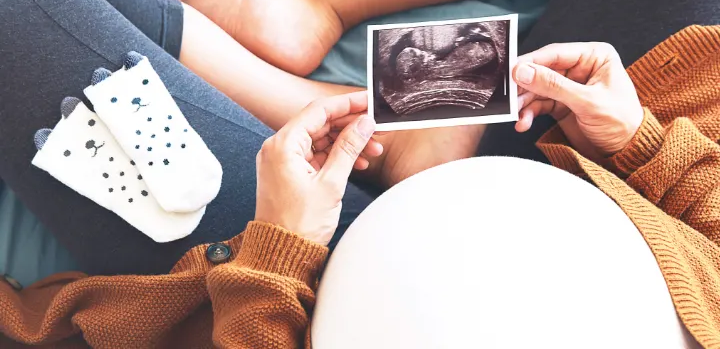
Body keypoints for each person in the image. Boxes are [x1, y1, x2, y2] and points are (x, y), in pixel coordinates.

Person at [3, 37, 720, 347]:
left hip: (297, 285)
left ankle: (303, 11)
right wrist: (643, 144)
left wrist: (275, 260)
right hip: (600, 179)